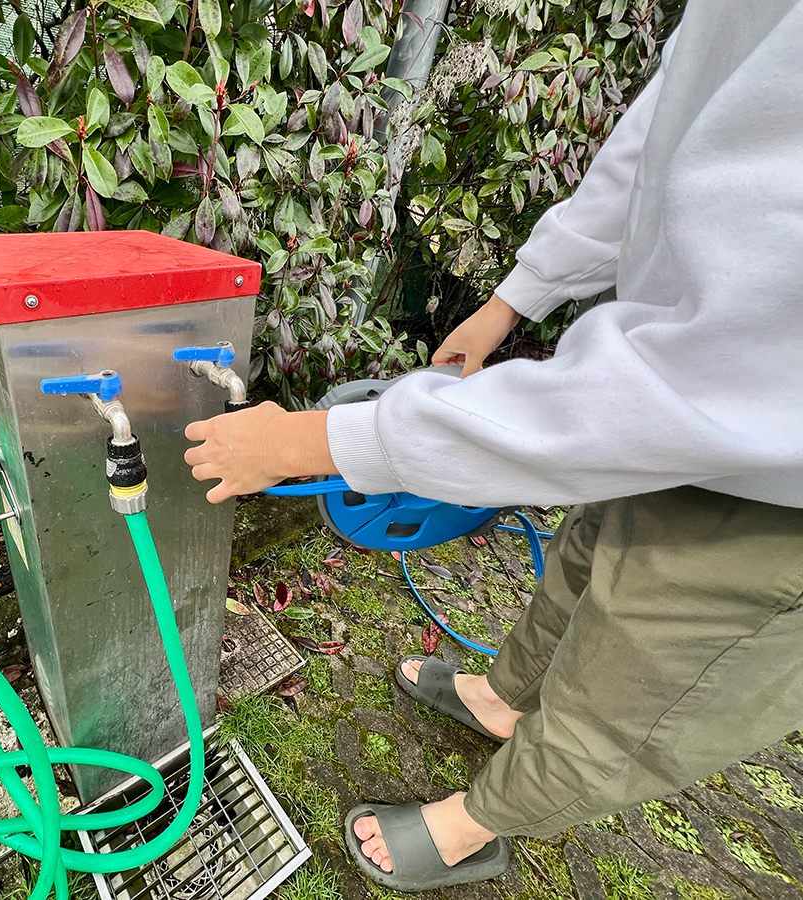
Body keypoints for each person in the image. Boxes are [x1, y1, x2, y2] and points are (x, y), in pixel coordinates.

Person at [183, 0, 803, 891]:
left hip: (778, 493)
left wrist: (307, 441)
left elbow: (707, 377)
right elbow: (663, 138)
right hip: (693, 409)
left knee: (635, 687)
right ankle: (503, 700)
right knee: (588, 560)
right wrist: (513, 300)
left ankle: (478, 826)